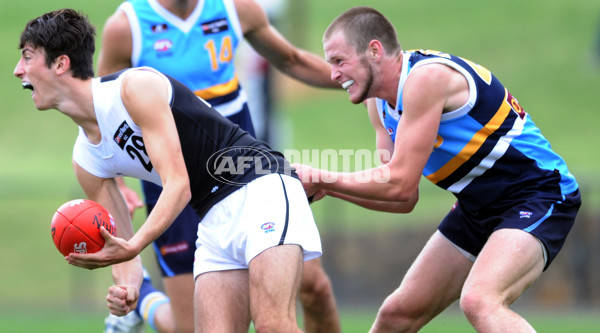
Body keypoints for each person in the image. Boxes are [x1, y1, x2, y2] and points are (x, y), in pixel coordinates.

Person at [15, 8, 323, 333]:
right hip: (213, 218)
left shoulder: (134, 87)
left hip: (259, 187)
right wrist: (129, 289)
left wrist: (134, 245)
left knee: (273, 325)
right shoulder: (86, 162)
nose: (17, 70)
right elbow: (121, 244)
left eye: (27, 56)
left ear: (61, 64)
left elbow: (178, 185)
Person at [294, 7, 582, 333]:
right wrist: (329, 187)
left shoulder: (426, 79)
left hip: (538, 194)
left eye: (338, 61)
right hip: (477, 208)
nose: (332, 75)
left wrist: (320, 177)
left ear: (374, 50)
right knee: (396, 315)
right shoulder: (377, 103)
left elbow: (398, 184)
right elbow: (403, 199)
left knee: (480, 301)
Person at [97, 0, 341, 332]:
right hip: (174, 186)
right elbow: (104, 111)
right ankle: (144, 301)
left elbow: (292, 59)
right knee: (190, 327)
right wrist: (119, 184)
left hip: (247, 176)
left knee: (315, 287)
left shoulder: (237, 8)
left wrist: (365, 79)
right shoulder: (126, 27)